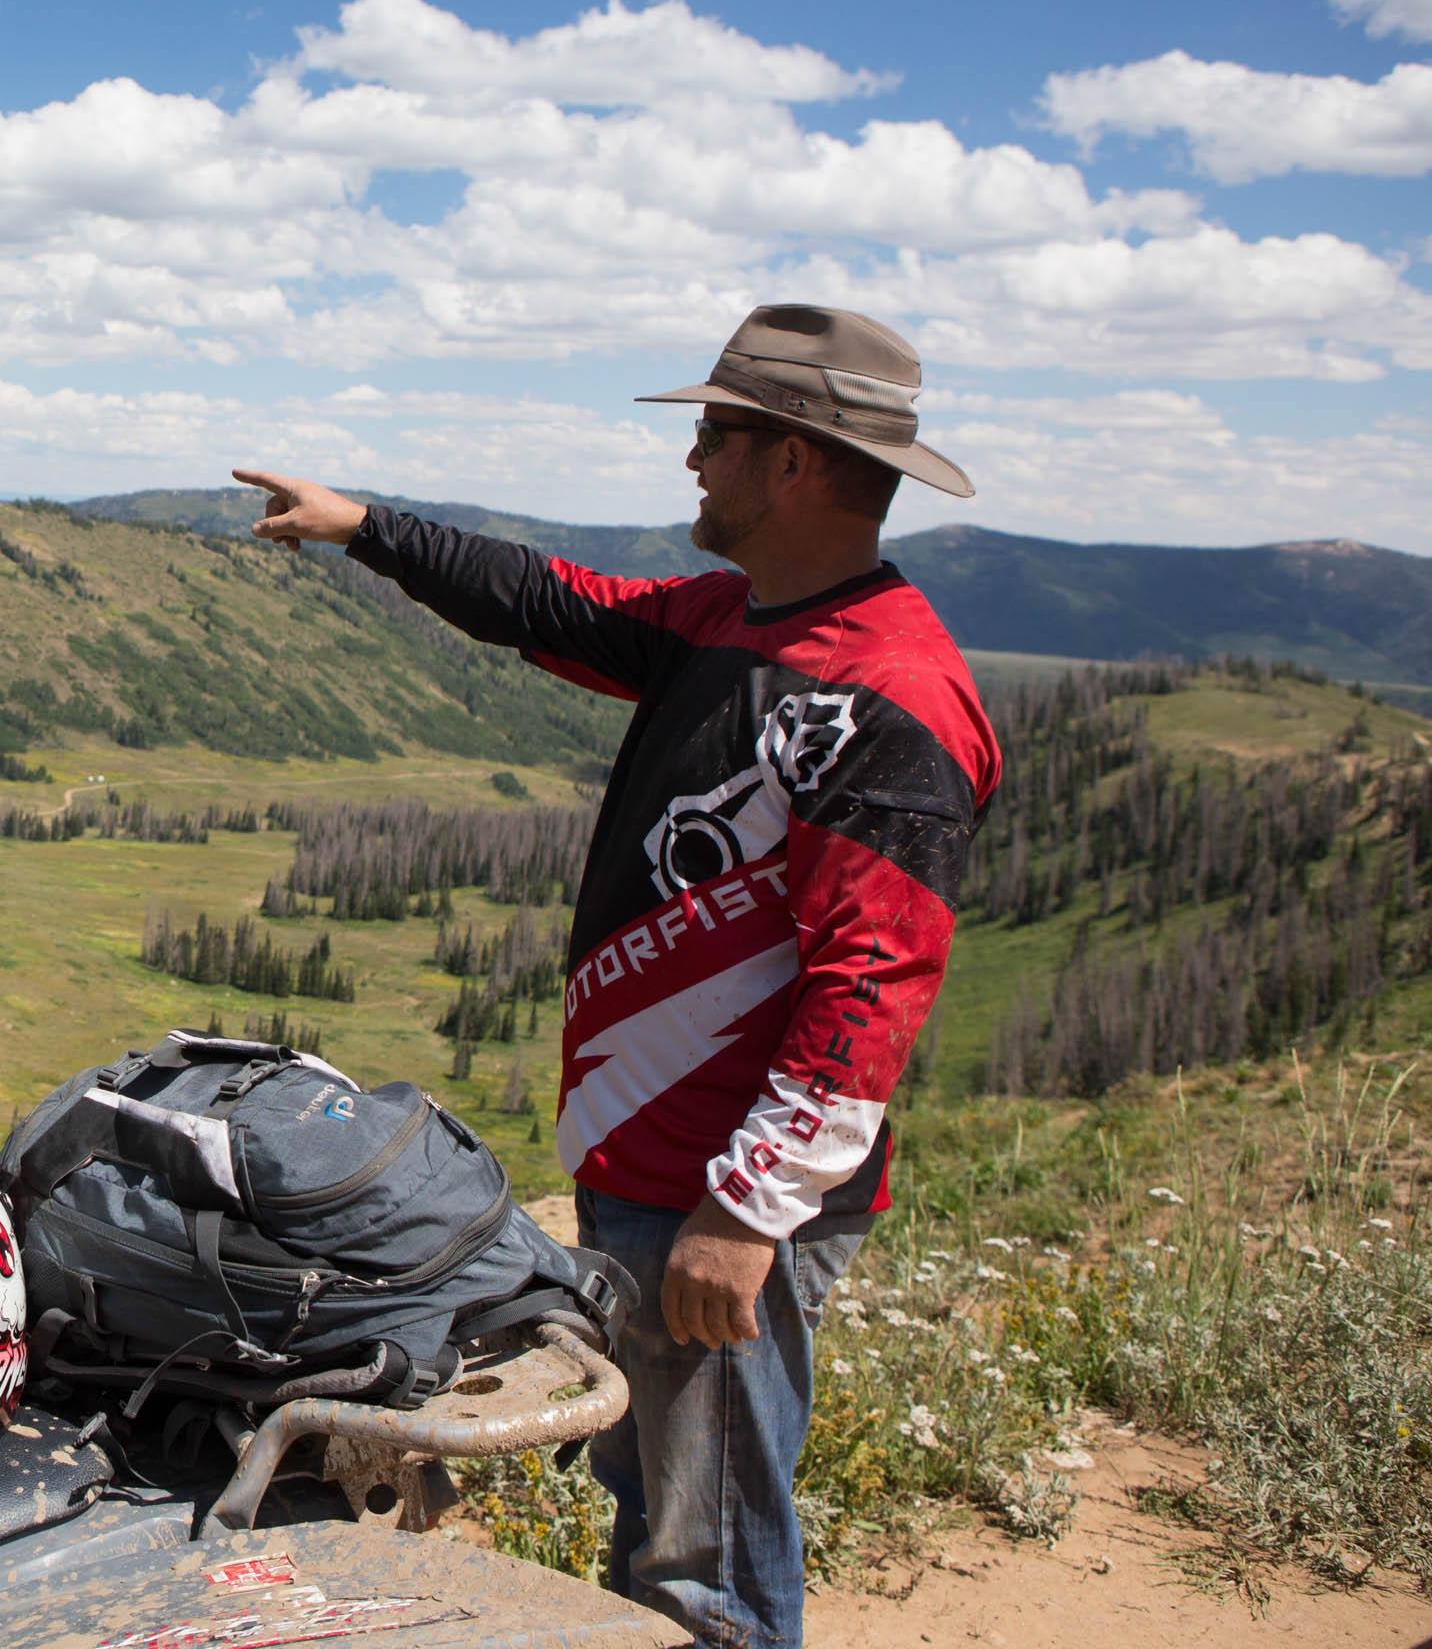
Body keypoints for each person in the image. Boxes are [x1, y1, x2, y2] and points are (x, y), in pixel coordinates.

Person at [237, 304, 1000, 1649]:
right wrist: (368, 527)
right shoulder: (731, 622)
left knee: (707, 1552)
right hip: (652, 1169)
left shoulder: (885, 696)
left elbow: (868, 986)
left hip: (717, 1194)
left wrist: (747, 1215)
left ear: (793, 465)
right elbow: (550, 604)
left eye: (715, 433)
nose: (691, 459)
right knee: (653, 1497)